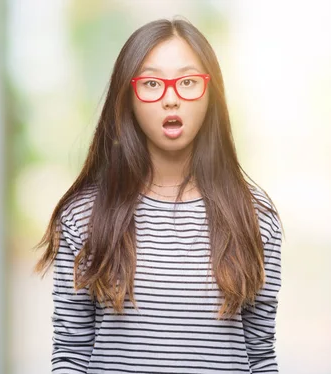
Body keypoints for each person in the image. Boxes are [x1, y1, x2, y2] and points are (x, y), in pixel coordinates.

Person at [34, 18, 284, 373]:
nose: (171, 98)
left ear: (212, 93)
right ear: (129, 97)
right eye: (151, 83)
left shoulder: (255, 217)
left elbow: (261, 357)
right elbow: (71, 354)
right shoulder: (84, 216)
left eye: (188, 82)